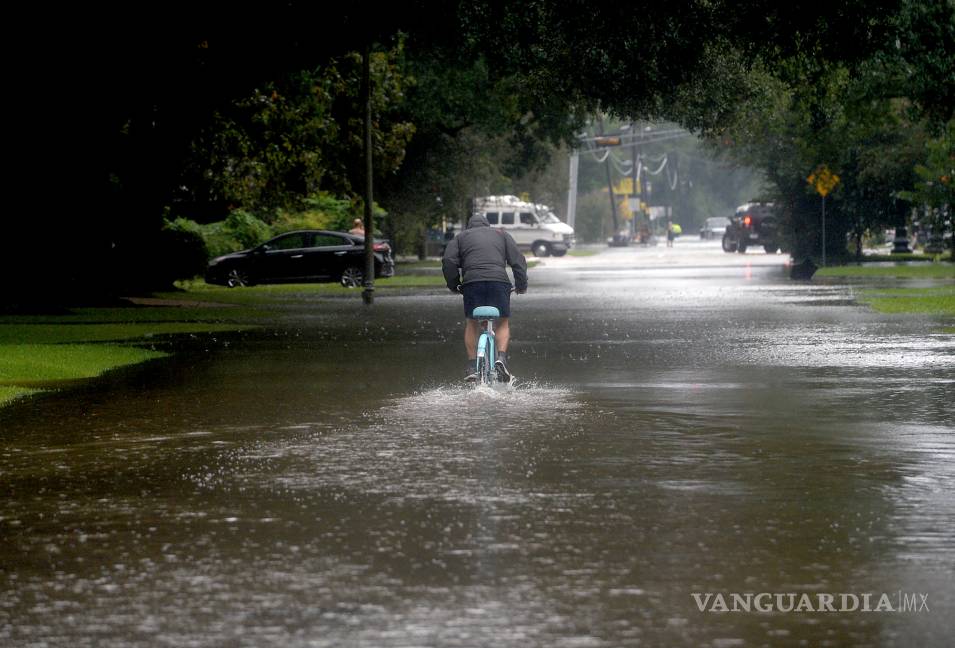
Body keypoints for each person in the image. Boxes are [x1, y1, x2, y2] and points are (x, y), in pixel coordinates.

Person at [442, 214, 528, 382]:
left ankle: (473, 365)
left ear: (469, 227)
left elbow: (448, 261)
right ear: (488, 225)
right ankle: (501, 358)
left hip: (472, 282)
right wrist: (521, 285)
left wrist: (454, 284)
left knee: (472, 322)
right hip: (499, 282)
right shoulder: (502, 235)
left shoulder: (460, 237)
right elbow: (518, 261)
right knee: (502, 321)